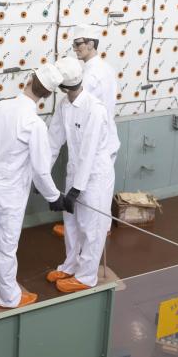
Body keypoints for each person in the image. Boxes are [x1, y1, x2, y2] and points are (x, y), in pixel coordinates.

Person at [0, 63, 67, 308]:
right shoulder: (34, 123)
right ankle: (9, 297)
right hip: (9, 193)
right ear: (47, 95)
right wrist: (54, 197)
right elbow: (40, 169)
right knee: (6, 244)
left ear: (28, 79)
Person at [46, 57, 120, 292]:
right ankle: (70, 265)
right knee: (71, 221)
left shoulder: (94, 109)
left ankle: (87, 276)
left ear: (63, 86)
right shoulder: (64, 106)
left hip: (95, 176)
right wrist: (42, 174)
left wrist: (77, 189)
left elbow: (89, 152)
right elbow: (52, 141)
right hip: (75, 171)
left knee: (91, 226)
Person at [52, 25, 120, 240]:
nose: (75, 48)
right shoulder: (105, 68)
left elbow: (79, 108)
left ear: (92, 44)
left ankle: (92, 233)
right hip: (105, 139)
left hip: (95, 142)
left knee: (91, 207)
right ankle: (96, 229)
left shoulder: (90, 75)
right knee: (98, 202)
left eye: (78, 44)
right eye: (74, 44)